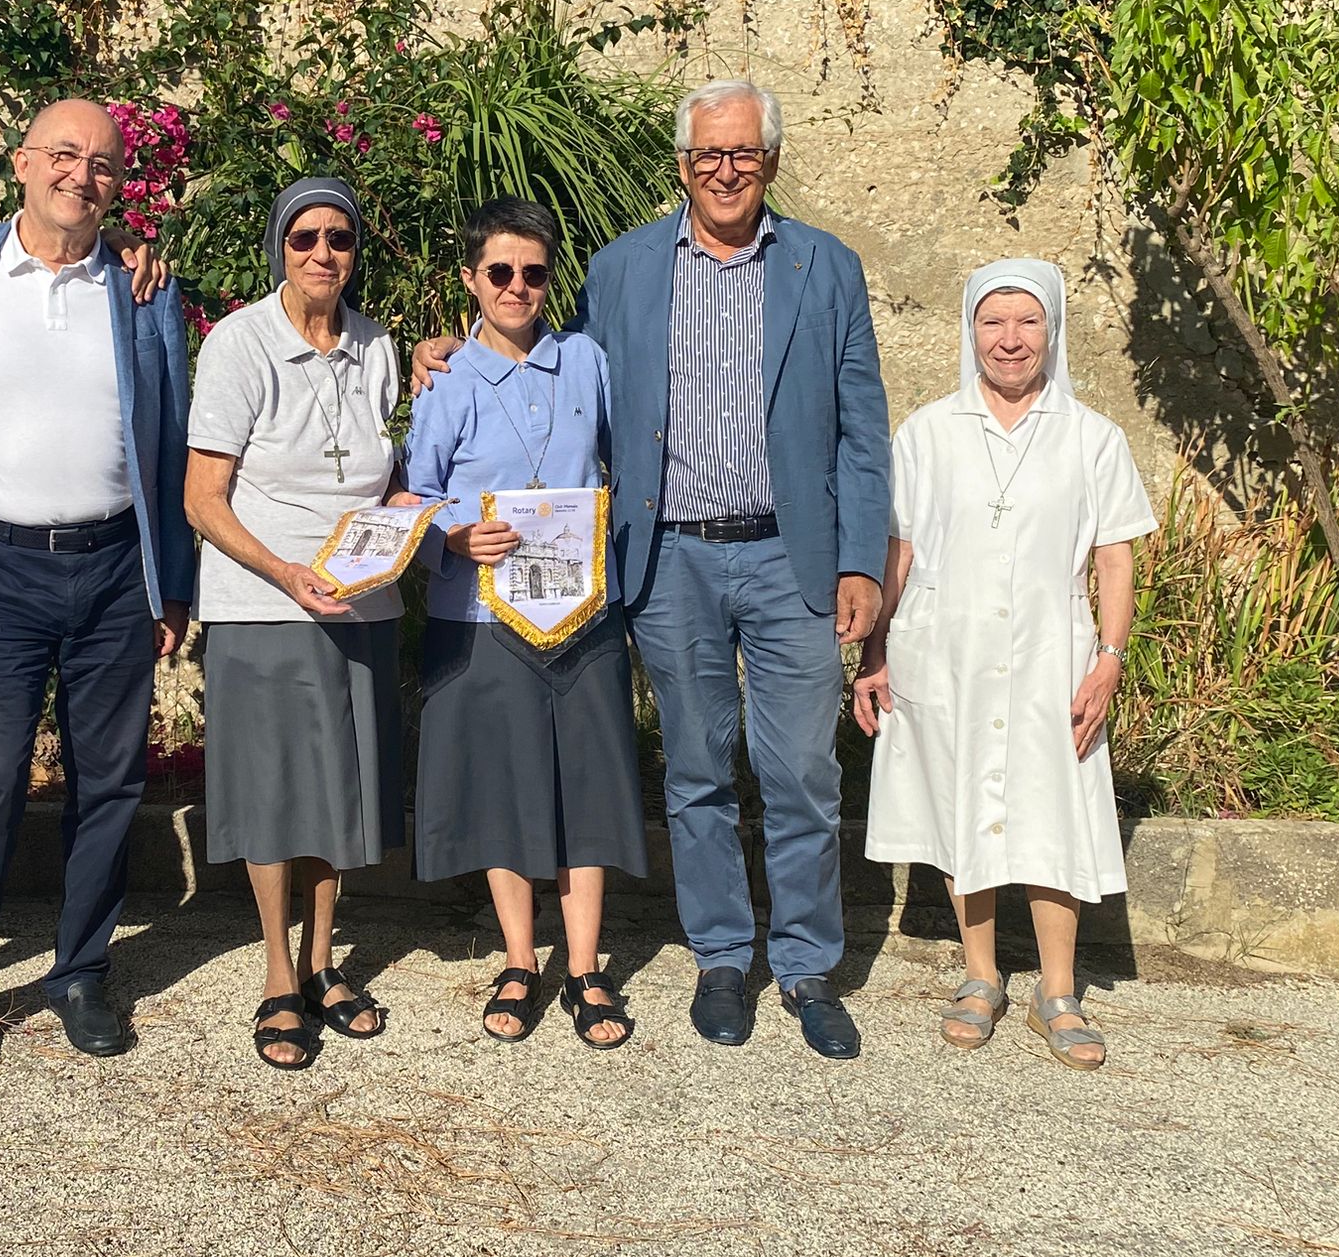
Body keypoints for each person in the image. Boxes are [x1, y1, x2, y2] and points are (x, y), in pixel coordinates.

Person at [413, 80, 890, 1059]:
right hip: (668, 556)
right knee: (696, 768)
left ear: (769, 160)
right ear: (682, 164)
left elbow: (862, 429)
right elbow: (547, 365)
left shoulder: (825, 266)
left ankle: (805, 966)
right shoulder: (623, 269)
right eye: (708, 154)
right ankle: (721, 957)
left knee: (801, 770)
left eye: (743, 153)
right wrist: (449, 352)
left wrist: (860, 562)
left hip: (790, 554)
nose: (725, 171)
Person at [0, 99, 194, 1068]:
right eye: (64, 155)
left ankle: (80, 972)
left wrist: (170, 584)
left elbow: (169, 443)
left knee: (109, 782)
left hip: (114, 569)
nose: (82, 175)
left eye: (104, 164)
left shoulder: (142, 287)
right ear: (21, 162)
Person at [854, 259, 1154, 1070]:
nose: (1010, 339)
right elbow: (898, 551)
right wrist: (875, 650)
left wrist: (1110, 660)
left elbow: (1115, 558)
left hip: (1055, 654)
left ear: (1052, 330)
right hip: (945, 650)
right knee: (964, 805)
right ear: (971, 331)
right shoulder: (928, 432)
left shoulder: (1092, 437)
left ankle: (1057, 992)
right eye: (993, 321)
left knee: (1053, 807)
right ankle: (980, 976)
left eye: (1027, 321)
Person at [401, 197, 648, 1049]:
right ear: (471, 279)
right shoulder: (446, 379)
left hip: (581, 609)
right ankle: (518, 959)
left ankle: (585, 968)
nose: (517, 287)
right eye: (499, 272)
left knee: (586, 784)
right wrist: (453, 534)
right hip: (482, 613)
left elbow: (625, 458)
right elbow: (413, 493)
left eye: (533, 273)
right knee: (503, 787)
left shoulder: (586, 361)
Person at [185, 178, 409, 1071]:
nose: (323, 253)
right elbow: (203, 499)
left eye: (340, 239)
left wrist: (409, 516)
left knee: (337, 792)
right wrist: (286, 572)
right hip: (265, 606)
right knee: (274, 794)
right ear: (280, 246)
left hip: (361, 601)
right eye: (305, 237)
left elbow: (385, 473)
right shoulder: (240, 343)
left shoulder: (377, 345)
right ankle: (278, 974)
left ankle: (322, 963)